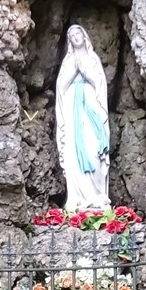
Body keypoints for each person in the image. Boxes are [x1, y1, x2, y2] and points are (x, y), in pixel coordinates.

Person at [54, 25, 111, 211]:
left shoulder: (92, 59)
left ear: (84, 36)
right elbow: (61, 89)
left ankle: (97, 196)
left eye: (78, 33)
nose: (75, 37)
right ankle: (78, 199)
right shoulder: (68, 62)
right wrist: (73, 72)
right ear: (69, 41)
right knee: (73, 154)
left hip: (91, 112)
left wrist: (85, 71)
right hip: (73, 114)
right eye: (71, 35)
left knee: (93, 150)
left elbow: (100, 85)